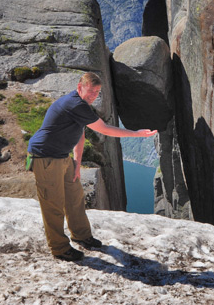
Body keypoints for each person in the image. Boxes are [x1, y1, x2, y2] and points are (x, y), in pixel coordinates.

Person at [27, 72, 157, 261]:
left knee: (75, 197)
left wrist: (77, 164)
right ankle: (60, 248)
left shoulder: (82, 106)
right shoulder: (75, 104)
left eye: (97, 92)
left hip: (62, 158)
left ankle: (81, 235)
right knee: (53, 204)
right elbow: (104, 129)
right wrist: (136, 134)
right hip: (45, 158)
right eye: (91, 91)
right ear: (80, 88)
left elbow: (80, 134)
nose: (94, 95)